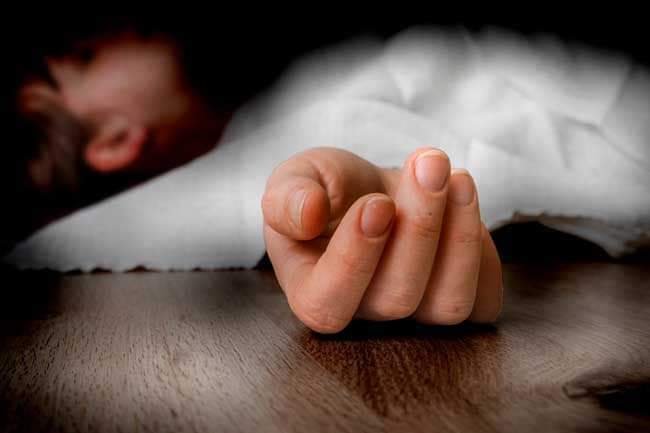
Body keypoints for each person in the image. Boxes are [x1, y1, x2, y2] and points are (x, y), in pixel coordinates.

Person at [5, 16, 649, 333]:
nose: (116, 31)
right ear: (115, 141)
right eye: (85, 58)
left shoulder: (267, 97)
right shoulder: (255, 170)